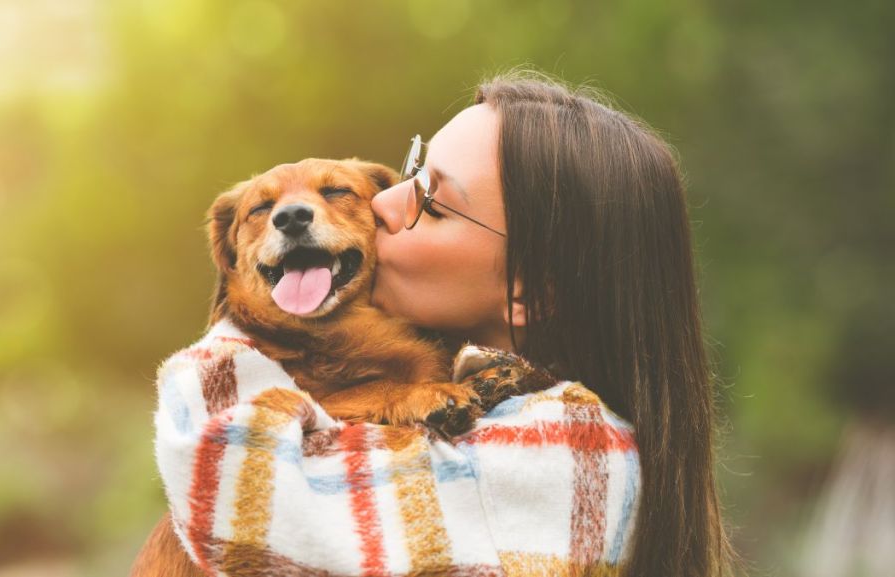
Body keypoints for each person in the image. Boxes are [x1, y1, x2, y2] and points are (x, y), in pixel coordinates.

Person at [132, 68, 741, 577]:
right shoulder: (451, 399)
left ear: (528, 290)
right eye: (413, 169)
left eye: (435, 202)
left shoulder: (572, 450)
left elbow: (242, 482)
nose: (383, 202)